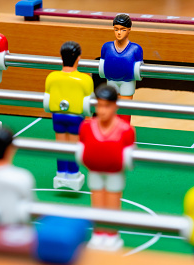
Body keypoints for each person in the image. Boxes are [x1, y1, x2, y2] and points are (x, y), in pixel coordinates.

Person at [78, 84, 135, 250]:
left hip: (114, 172)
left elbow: (129, 157)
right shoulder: (87, 127)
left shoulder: (125, 130)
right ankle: (98, 233)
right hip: (94, 170)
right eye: (99, 105)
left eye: (107, 106)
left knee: (112, 201)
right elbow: (81, 148)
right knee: (97, 200)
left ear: (115, 106)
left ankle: (111, 234)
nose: (102, 110)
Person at [44, 41, 93, 191]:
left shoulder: (52, 77)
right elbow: (89, 104)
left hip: (57, 116)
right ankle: (72, 174)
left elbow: (47, 100)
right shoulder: (85, 79)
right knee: (73, 146)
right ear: (78, 58)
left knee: (61, 146)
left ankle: (61, 173)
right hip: (75, 118)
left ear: (61, 57)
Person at [99, 14, 143, 123]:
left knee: (125, 111)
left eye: (123, 29)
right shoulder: (106, 47)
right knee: (111, 109)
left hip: (127, 82)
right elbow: (102, 63)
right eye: (116, 29)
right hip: (111, 80)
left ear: (129, 30)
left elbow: (139, 68)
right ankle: (112, 133)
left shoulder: (136, 49)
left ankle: (124, 134)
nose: (119, 33)